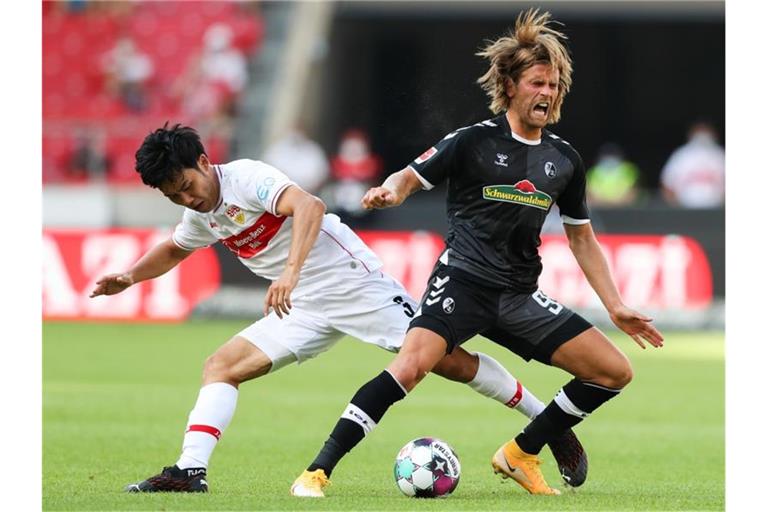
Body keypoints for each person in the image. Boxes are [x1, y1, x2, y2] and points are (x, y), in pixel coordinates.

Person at [89, 123, 587, 493]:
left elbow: (309, 206)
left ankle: (547, 422)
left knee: (447, 361)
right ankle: (189, 472)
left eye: (186, 187)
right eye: (174, 195)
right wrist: (130, 275)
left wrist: (287, 273)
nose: (187, 199)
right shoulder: (202, 214)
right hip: (303, 306)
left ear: (201, 161)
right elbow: (176, 247)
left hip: (354, 285)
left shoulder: (245, 178)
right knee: (220, 367)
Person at [290, 9, 663, 498]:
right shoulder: (472, 142)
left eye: (553, 84)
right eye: (537, 82)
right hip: (461, 284)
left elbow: (581, 237)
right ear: (510, 85)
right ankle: (317, 472)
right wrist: (390, 191)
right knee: (409, 367)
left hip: (517, 295)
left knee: (614, 371)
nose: (546, 93)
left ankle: (521, 453)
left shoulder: (564, 160)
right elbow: (408, 176)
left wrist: (615, 306)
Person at [660, 121, 725, 208]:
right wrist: (675, 208)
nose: (702, 136)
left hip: (716, 210)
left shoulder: (720, 154)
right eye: (699, 131)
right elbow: (667, 184)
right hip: (686, 210)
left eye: (705, 131)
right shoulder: (681, 154)